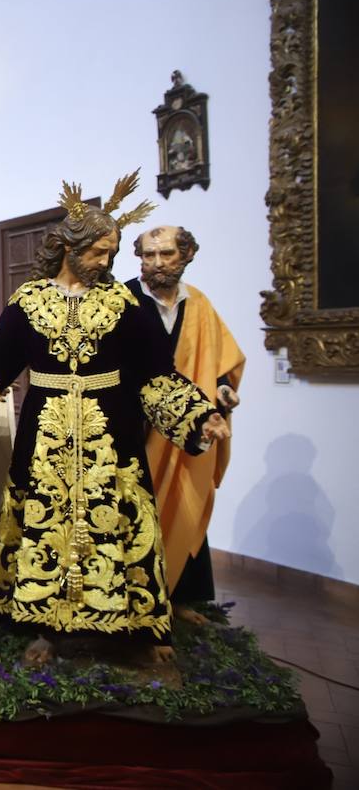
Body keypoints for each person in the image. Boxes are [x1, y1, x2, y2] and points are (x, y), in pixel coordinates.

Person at [0, 175, 230, 663]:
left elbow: (154, 375)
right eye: (99, 252)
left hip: (112, 433)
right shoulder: (29, 301)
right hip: (45, 435)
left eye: (111, 253)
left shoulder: (121, 303)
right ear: (69, 248)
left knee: (115, 523)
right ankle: (44, 627)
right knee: (45, 525)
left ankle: (135, 627)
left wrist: (196, 415)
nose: (106, 263)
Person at [128, 225, 244, 623]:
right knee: (135, 513)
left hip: (190, 429)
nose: (156, 264)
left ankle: (180, 597)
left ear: (187, 255)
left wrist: (224, 392)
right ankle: (137, 602)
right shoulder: (123, 299)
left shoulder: (200, 306)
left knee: (186, 502)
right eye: (148, 255)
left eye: (166, 255)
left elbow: (223, 363)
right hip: (136, 427)